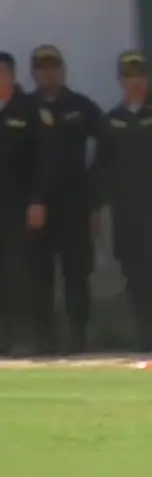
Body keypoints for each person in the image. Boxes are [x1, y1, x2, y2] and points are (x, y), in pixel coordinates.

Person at [94, 51, 152, 352]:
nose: (135, 81)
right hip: (126, 211)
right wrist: (95, 206)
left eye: (140, 75)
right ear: (121, 80)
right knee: (133, 272)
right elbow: (102, 166)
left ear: (147, 79)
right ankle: (145, 334)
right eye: (129, 75)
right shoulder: (112, 120)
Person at [29, 45, 102, 354]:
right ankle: (43, 340)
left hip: (74, 204)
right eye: (42, 67)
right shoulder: (24, 108)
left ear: (63, 70)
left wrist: (95, 197)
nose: (48, 73)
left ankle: (77, 338)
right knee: (37, 275)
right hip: (34, 207)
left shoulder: (81, 106)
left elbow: (107, 147)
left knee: (76, 274)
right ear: (33, 73)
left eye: (53, 66)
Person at [0, 51, 57, 355]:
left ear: (12, 76)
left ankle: (29, 338)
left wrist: (38, 200)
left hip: (20, 206)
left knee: (22, 272)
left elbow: (44, 160)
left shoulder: (30, 110)